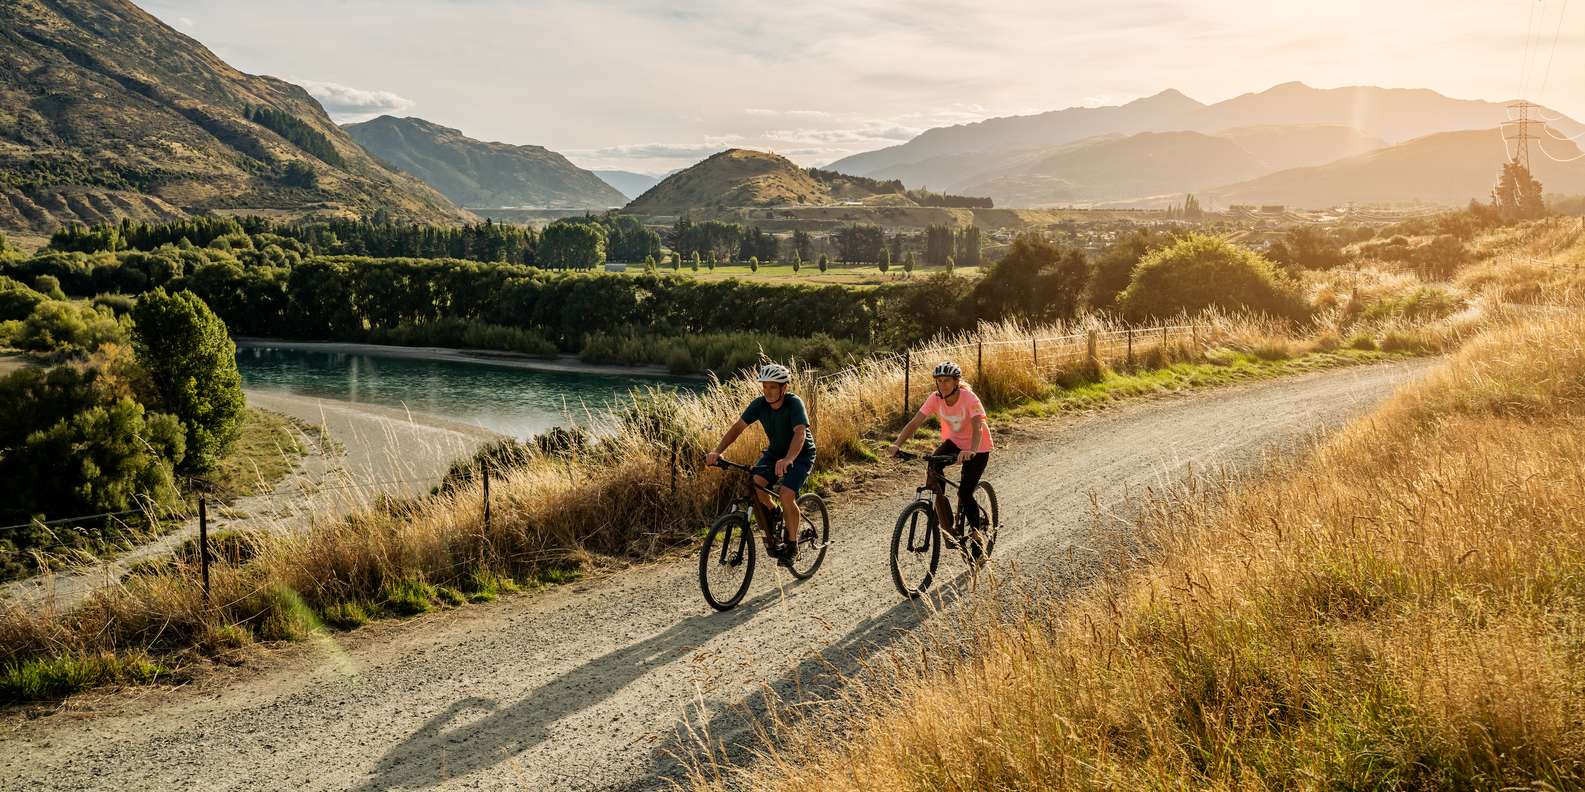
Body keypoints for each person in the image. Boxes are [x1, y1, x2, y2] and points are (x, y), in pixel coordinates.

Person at [705, 363, 817, 565]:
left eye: (773, 387)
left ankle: (792, 545)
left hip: (800, 454)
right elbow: (737, 428)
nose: (768, 391)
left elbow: (800, 434)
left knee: (786, 493)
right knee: (756, 483)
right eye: (765, 387)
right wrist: (717, 451)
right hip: (776, 452)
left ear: (784, 388)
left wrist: (789, 459)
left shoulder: (794, 403)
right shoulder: (760, 404)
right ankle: (775, 513)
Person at [887, 360, 993, 541]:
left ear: (956, 382)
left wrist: (971, 450)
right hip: (954, 442)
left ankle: (977, 534)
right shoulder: (935, 398)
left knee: (965, 492)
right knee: (933, 465)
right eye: (939, 381)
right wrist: (897, 444)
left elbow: (978, 426)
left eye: (947, 381)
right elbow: (915, 423)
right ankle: (946, 521)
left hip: (978, 447)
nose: (942, 385)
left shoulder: (969, 398)